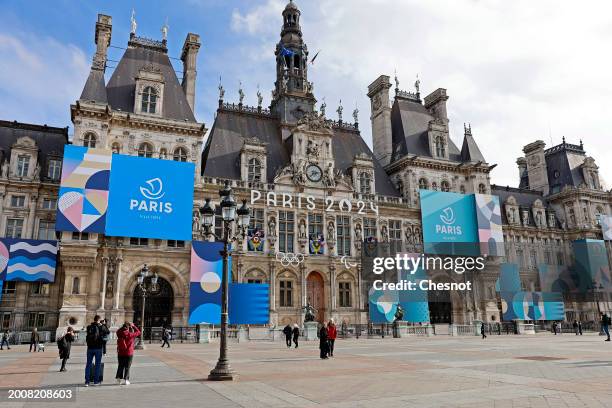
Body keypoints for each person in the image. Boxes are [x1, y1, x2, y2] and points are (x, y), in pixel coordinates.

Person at [84, 315, 110, 386]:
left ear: (94, 319)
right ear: (99, 320)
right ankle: (96, 381)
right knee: (97, 364)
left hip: (90, 348)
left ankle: (87, 382)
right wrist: (104, 324)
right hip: (98, 348)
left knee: (88, 364)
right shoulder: (101, 327)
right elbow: (108, 332)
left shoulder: (89, 327)